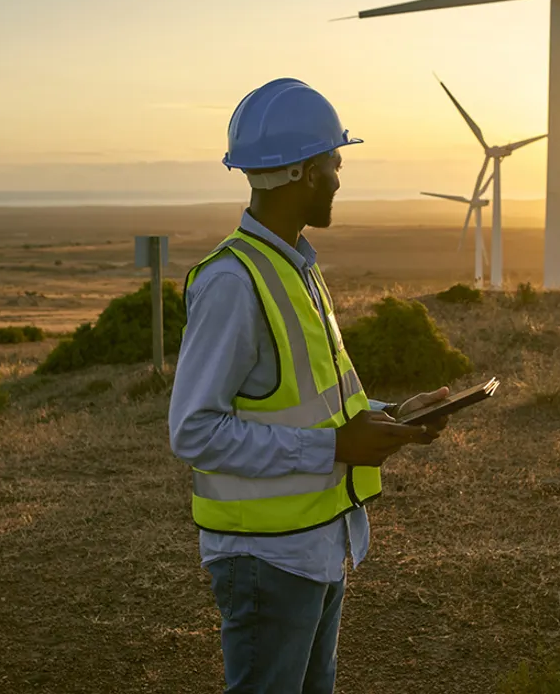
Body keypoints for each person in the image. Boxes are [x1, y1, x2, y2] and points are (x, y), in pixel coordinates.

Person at [168, 78, 451, 694]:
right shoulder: (232, 283)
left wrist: (395, 413)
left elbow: (315, 403)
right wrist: (333, 450)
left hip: (317, 542)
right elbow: (193, 432)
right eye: (334, 162)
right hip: (266, 557)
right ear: (299, 172)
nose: (340, 178)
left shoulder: (295, 267)